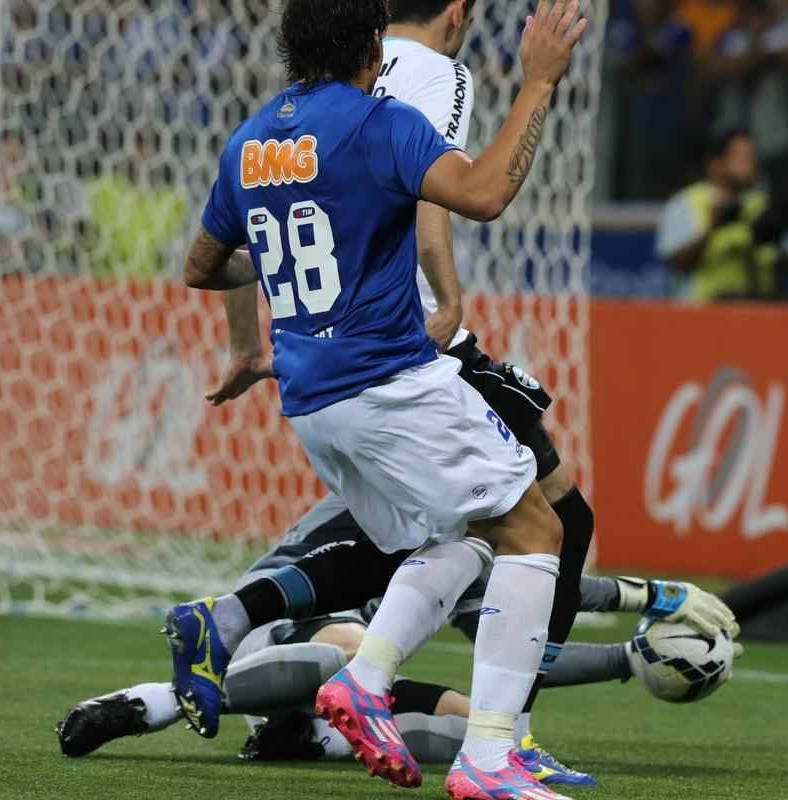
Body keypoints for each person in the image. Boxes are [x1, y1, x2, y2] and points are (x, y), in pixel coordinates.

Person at [170, 2, 589, 798]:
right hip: (387, 380)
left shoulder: (251, 140)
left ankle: (365, 681)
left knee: (465, 539)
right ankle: (491, 757)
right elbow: (486, 193)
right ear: (371, 48)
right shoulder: (380, 123)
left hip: (313, 403)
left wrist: (281, 301)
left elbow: (203, 265)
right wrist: (538, 83)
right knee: (540, 527)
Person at [56, 498, 740, 763]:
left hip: (353, 661)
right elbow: (538, 576)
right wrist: (651, 593)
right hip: (277, 634)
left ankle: (305, 736)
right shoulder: (409, 499)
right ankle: (143, 702)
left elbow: (525, 644)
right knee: (348, 656)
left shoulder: (453, 524)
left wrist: (629, 655)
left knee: (483, 726)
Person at [655, 125, 788, 301]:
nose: (751, 164)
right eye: (741, 158)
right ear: (715, 164)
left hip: (758, 311)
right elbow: (677, 265)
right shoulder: (687, 203)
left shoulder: (761, 204)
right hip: (704, 313)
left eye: (752, 156)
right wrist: (712, 228)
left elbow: (787, 265)